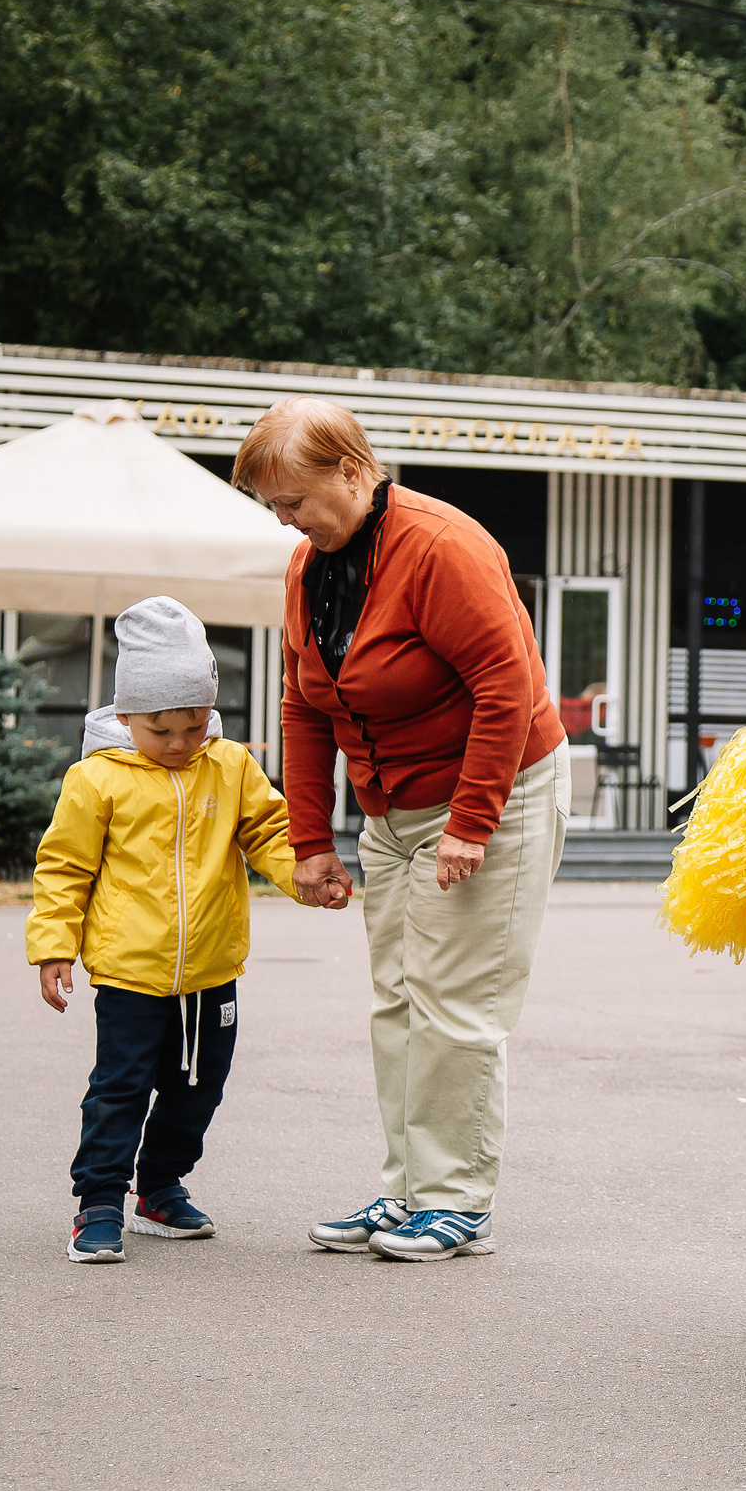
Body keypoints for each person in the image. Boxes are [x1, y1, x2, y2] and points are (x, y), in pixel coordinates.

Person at [234, 398, 570, 1264]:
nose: (285, 521)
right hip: (391, 807)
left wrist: (472, 821)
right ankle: (408, 1188)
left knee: (455, 1001)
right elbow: (303, 704)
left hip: (494, 790)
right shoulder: (309, 566)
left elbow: (506, 685)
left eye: (294, 500)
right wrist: (311, 839)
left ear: (352, 470)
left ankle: (457, 1201)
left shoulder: (442, 546)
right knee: (397, 999)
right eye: (273, 506)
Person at [27, 595, 311, 1263]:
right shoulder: (96, 779)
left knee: (198, 1089)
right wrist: (53, 946)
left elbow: (269, 831)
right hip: (130, 972)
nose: (181, 742)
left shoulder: (230, 765)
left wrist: (304, 874)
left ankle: (158, 1187)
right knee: (119, 1089)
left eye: (194, 724)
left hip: (211, 969)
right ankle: (99, 1201)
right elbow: (64, 866)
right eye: (161, 729)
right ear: (126, 716)